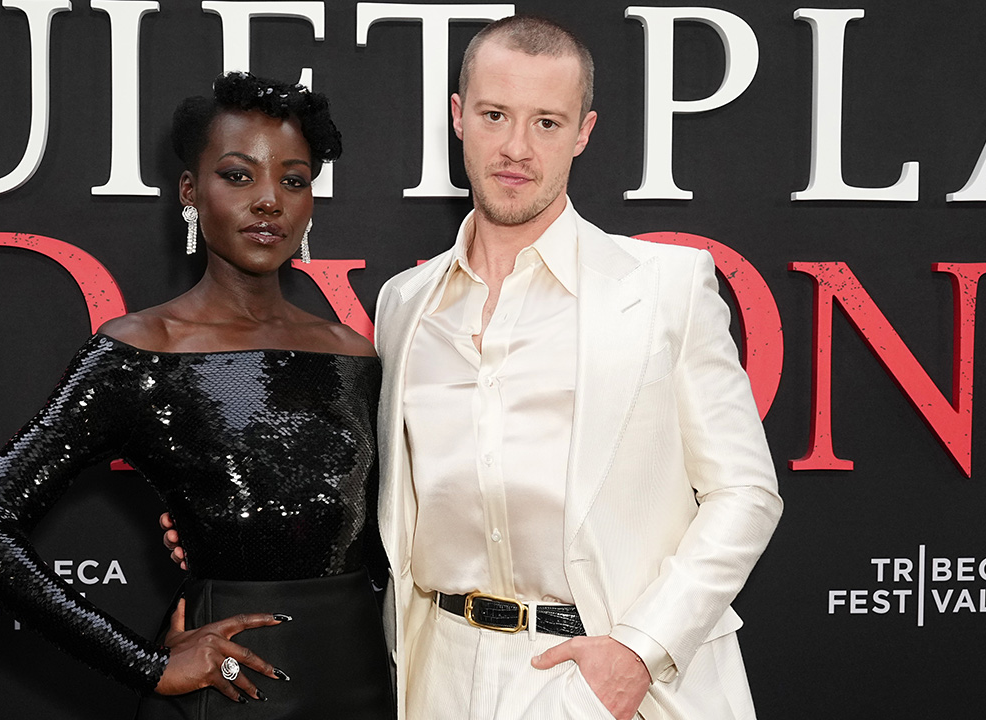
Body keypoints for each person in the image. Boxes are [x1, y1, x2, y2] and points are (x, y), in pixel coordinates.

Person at [169, 14, 781, 720]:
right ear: (460, 117)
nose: (517, 148)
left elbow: (745, 495)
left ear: (583, 132)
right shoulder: (405, 304)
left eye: (547, 123)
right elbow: (380, 500)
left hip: (610, 679)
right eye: (495, 114)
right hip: (439, 678)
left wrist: (639, 651)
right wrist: (229, 514)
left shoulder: (665, 287)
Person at [0, 71, 395, 720]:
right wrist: (146, 665)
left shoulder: (355, 354)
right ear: (190, 190)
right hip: (234, 692)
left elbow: (396, 536)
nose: (269, 200)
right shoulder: (139, 352)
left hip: (364, 681)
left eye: (293, 180)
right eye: (239, 175)